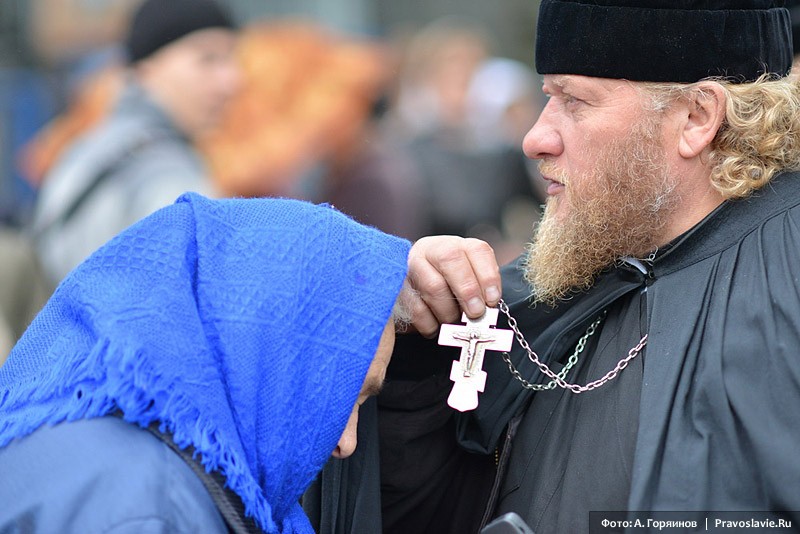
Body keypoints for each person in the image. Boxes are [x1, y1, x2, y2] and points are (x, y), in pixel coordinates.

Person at [372, 1, 800, 533]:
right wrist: (415, 339)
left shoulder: (788, 285)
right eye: (546, 97)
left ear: (696, 118)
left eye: (574, 101)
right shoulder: (568, 272)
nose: (535, 138)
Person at [0, 193, 411, 533]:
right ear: (267, 360)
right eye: (339, 397)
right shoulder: (152, 506)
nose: (348, 442)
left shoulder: (104, 443)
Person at [30, 0, 241, 285]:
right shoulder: (165, 171)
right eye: (208, 59)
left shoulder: (89, 146)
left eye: (231, 59)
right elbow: (208, 284)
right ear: (146, 70)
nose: (232, 81)